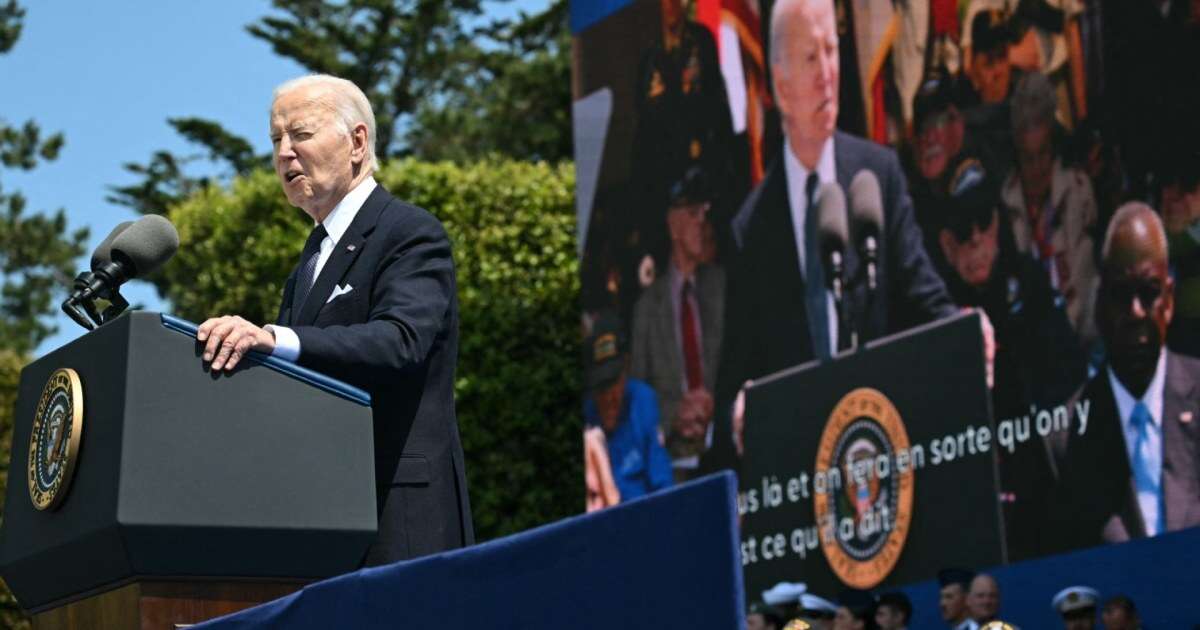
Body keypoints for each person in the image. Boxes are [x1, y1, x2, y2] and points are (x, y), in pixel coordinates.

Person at [196, 74, 472, 565]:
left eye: (300, 134)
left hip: (398, 513)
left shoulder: (408, 232)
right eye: (276, 140)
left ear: (357, 142)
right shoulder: (307, 264)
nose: (284, 153)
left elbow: (400, 341)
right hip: (325, 517)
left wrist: (273, 338)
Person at [711, 0, 964, 465]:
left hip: (888, 448)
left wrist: (967, 332)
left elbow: (927, 302)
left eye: (832, 49)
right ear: (781, 87)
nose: (829, 71)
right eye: (811, 57)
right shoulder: (751, 230)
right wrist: (739, 415)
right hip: (807, 469)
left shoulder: (879, 177)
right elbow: (734, 384)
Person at [936, 157, 1085, 559]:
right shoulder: (940, 311)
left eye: (982, 226)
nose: (975, 243)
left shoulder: (1030, 283)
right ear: (946, 246)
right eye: (961, 234)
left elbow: (1070, 383)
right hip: (982, 497)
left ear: (997, 228)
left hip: (1043, 477)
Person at [1052, 203, 1200, 549]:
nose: (1135, 312)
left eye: (1148, 293)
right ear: (1100, 304)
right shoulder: (1065, 443)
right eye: (1121, 294)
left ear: (1170, 300)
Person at [630, 167, 725, 481]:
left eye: (705, 213)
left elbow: (740, 362)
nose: (703, 223)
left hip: (723, 452)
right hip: (673, 466)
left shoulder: (722, 288)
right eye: (693, 213)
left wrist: (714, 403)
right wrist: (674, 415)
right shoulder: (647, 309)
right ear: (673, 224)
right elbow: (638, 396)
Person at [1000, 72, 1099, 353]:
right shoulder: (1006, 202)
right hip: (1033, 345)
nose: (1038, 168)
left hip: (1083, 337)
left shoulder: (1077, 188)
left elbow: (1085, 271)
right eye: (1028, 158)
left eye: (1043, 154)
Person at [583, 312, 674, 502]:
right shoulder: (587, 415)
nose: (610, 398)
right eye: (602, 387)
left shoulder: (643, 401)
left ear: (626, 368)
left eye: (614, 383)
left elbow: (663, 483)